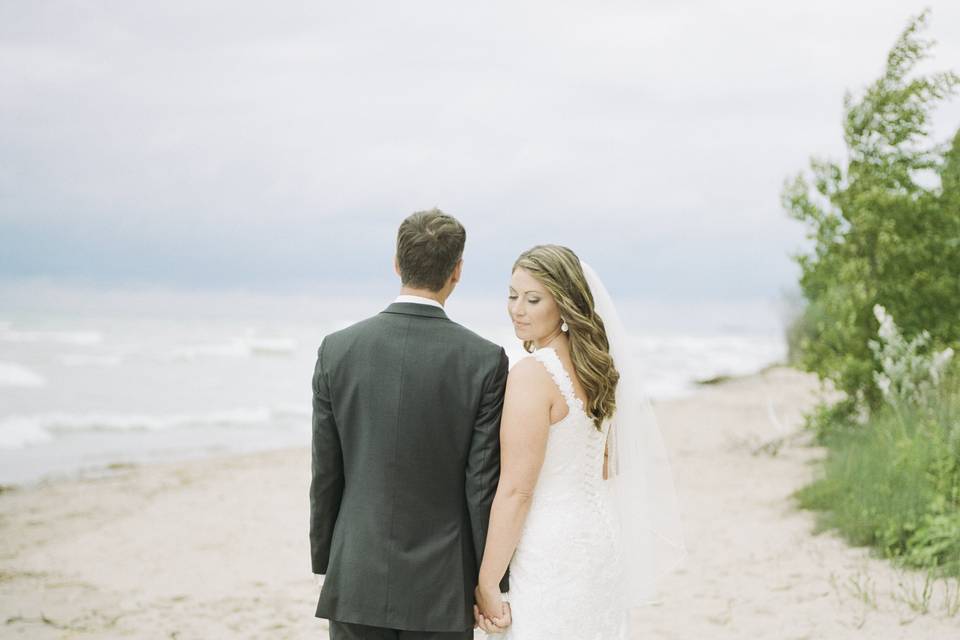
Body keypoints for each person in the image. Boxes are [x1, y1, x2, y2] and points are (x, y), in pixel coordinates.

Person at [310, 209, 511, 639]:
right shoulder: (483, 360)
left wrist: (327, 561)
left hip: (355, 572)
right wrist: (489, 579)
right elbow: (481, 485)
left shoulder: (337, 350)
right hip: (442, 583)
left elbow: (326, 472)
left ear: (397, 263)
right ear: (457, 271)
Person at [473, 244, 687, 639]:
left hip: (550, 547)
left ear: (565, 303)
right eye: (512, 295)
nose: (517, 309)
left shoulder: (532, 375)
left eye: (533, 299)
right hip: (601, 536)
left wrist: (487, 581)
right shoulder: (597, 366)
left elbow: (518, 490)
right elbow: (608, 461)